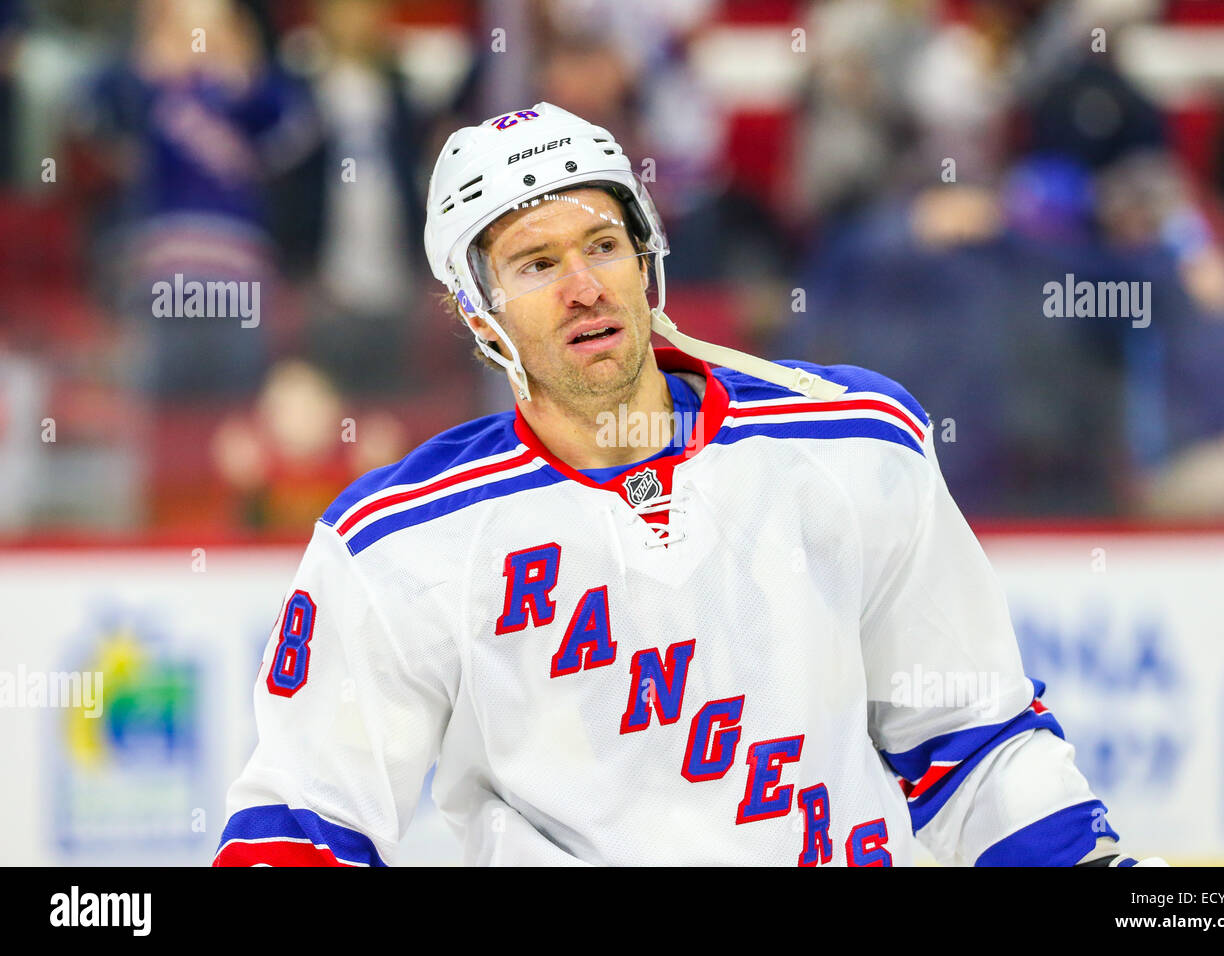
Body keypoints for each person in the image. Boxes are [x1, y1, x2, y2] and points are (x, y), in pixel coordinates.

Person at [214, 102, 1162, 866]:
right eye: (536, 265)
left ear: (647, 256)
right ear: (478, 311)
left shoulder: (851, 445)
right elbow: (305, 822)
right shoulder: (398, 544)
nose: (583, 285)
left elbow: (971, 741)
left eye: (602, 246)